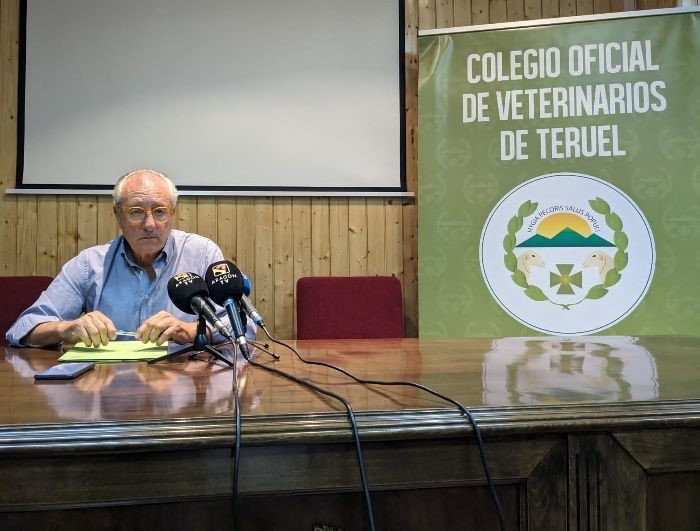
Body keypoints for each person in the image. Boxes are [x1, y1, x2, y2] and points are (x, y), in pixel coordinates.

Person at [5, 169, 255, 348]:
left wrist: (192, 331)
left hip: (185, 389)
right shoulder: (89, 264)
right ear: (117, 214)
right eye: (136, 212)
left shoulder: (201, 254)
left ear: (173, 213)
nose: (149, 224)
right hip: (109, 391)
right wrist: (67, 328)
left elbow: (244, 327)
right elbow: (24, 328)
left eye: (160, 212)